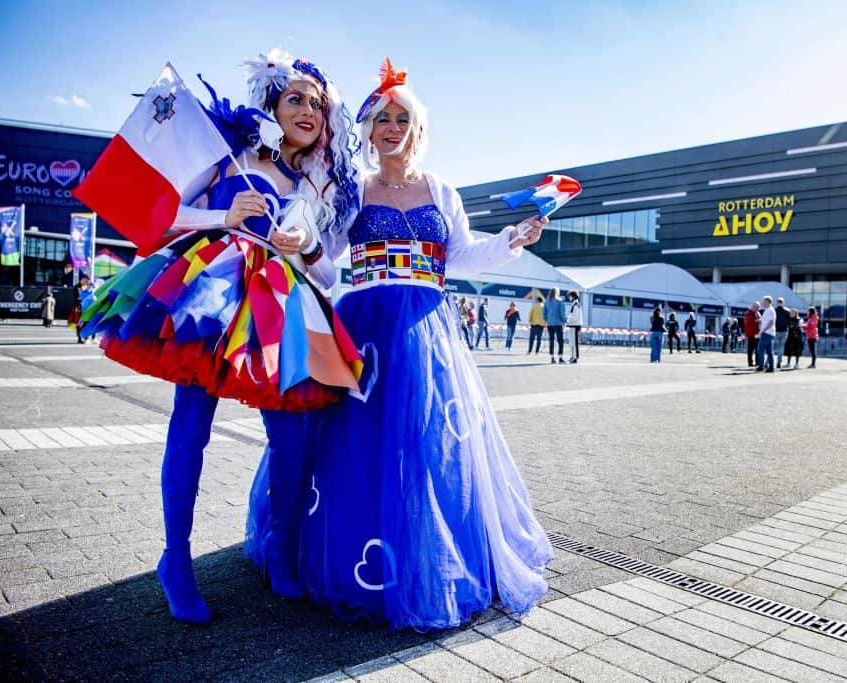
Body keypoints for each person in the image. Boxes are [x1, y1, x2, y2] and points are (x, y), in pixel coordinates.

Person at [247, 59, 552, 631]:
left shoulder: (442, 189)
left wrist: (513, 239)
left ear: (418, 128)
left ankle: (427, 556)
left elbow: (460, 256)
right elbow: (330, 264)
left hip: (429, 332)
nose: (392, 126)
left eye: (403, 117)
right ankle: (332, 551)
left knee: (426, 445)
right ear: (366, 129)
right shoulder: (352, 190)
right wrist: (305, 245)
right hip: (364, 332)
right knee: (356, 448)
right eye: (382, 117)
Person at [79, 50, 362, 623]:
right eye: (296, 98)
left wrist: (304, 247)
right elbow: (163, 214)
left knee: (292, 438)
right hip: (213, 295)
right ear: (273, 103)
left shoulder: (318, 188)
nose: (308, 110)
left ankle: (280, 549)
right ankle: (175, 560)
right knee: (191, 428)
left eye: (318, 103)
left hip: (279, 306)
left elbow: (330, 271)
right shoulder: (230, 149)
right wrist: (223, 218)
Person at [544, 287, 566, 364]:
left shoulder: (546, 302)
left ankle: (552, 357)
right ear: (557, 293)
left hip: (550, 324)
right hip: (558, 323)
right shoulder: (560, 301)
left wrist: (547, 320)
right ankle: (560, 358)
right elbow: (562, 313)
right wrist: (564, 321)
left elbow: (544, 314)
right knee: (560, 341)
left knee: (551, 340)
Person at [69, 274, 91, 341]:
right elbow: (79, 297)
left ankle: (85, 335)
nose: (87, 282)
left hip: (86, 307)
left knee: (87, 321)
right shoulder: (77, 287)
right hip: (78, 307)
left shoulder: (87, 286)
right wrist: (86, 291)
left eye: (88, 281)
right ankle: (80, 337)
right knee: (79, 322)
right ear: (83, 279)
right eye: (86, 281)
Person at [757, 296, 776, 372]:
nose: (762, 303)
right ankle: (770, 367)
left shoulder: (770, 310)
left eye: (764, 301)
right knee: (769, 351)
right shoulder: (768, 310)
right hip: (768, 333)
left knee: (760, 349)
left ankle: (761, 366)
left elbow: (771, 322)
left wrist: (763, 330)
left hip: (767, 333)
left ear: (768, 302)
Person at [566, 290, 582, 364]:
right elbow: (571, 315)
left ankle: (575, 357)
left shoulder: (576, 304)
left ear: (573, 296)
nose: (569, 297)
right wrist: (568, 319)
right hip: (573, 325)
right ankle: (572, 356)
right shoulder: (574, 304)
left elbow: (574, 317)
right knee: (571, 342)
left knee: (574, 343)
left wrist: (568, 321)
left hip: (575, 325)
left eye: (569, 296)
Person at [743, 302, 760, 367]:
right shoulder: (748, 313)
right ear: (753, 307)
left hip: (756, 333)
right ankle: (750, 362)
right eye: (757, 307)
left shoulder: (756, 313)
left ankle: (757, 362)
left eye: (758, 307)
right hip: (751, 334)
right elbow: (750, 322)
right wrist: (758, 320)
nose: (758, 309)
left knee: (756, 349)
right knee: (751, 349)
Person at [773, 297, 789, 368]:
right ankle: (779, 362)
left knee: (773, 347)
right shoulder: (787, 311)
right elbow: (789, 321)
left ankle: (768, 362)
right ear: (783, 303)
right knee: (781, 347)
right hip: (784, 331)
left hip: (776, 330)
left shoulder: (774, 310)